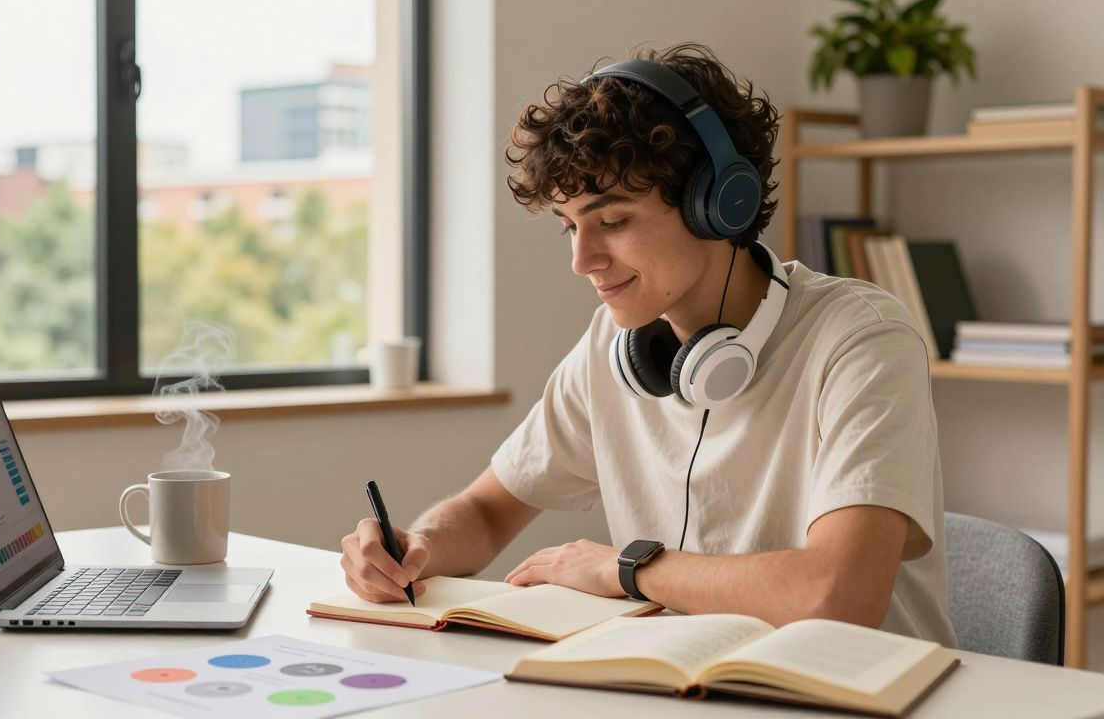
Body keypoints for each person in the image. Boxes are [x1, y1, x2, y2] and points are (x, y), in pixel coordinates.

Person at [338, 42, 957, 646]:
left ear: (719, 205)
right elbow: (488, 510)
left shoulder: (862, 340)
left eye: (612, 221)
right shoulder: (616, 344)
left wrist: (626, 569)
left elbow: (838, 597)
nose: (583, 260)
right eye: (569, 229)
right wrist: (416, 547)